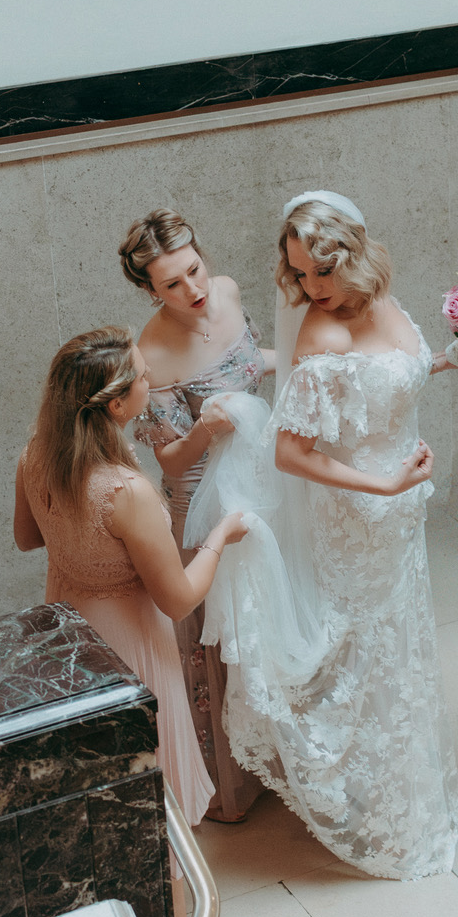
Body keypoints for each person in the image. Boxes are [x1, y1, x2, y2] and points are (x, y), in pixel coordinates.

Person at [185, 191, 458, 880]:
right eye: (299, 274)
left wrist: (452, 359)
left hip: (402, 509)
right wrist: (384, 485)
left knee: (399, 643)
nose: (311, 288)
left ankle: (400, 787)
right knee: (361, 646)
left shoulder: (387, 305)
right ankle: (357, 800)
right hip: (357, 512)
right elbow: (292, 454)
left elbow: (385, 381)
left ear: (356, 255)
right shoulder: (321, 335)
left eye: (322, 271)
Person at [13, 326, 247, 917]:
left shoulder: (35, 454)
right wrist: (221, 537)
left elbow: (28, 538)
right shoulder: (126, 491)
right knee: (153, 782)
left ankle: (111, 905)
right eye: (143, 376)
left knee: (99, 777)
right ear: (116, 405)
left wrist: (80, 550)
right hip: (130, 642)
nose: (151, 381)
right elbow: (176, 597)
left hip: (67, 632)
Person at [119, 209, 274, 822]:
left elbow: (252, 363)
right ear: (149, 291)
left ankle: (282, 756)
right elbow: (170, 457)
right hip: (200, 491)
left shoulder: (229, 291)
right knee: (217, 635)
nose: (194, 290)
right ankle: (227, 785)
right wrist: (208, 429)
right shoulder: (150, 353)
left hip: (259, 470)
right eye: (173, 285)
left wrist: (317, 358)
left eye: (194, 270)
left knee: (267, 614)